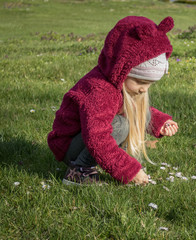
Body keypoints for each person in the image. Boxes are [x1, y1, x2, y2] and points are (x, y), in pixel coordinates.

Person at [47, 16, 178, 186]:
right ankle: (79, 171)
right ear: (123, 70)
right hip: (70, 145)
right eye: (140, 81)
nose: (144, 89)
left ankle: (105, 160)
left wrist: (160, 122)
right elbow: (97, 137)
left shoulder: (121, 84)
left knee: (126, 118)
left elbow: (137, 110)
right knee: (120, 125)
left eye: (150, 83)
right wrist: (127, 170)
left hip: (86, 138)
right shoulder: (99, 90)